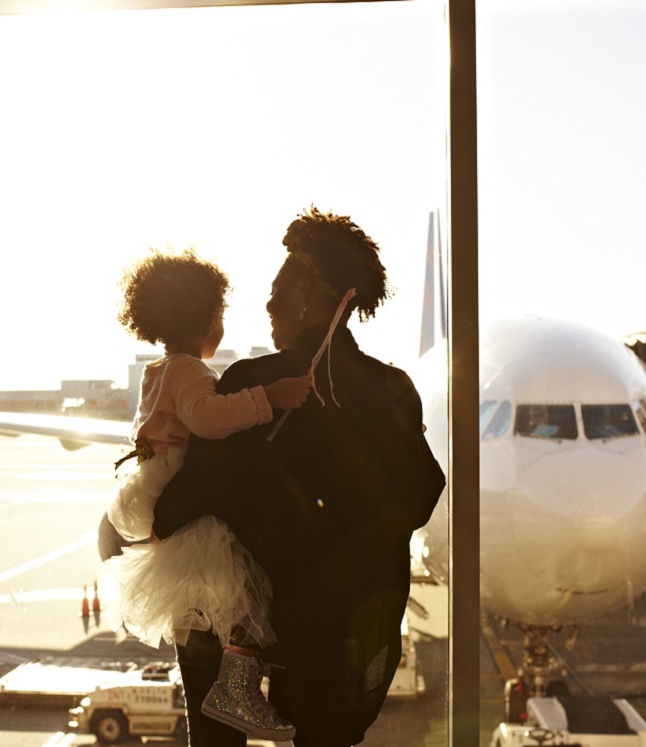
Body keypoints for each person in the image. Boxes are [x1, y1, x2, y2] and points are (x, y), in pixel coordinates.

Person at [153, 207, 446, 747]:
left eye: (277, 287)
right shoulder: (394, 389)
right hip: (345, 631)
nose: (267, 303)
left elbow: (195, 497)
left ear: (307, 290)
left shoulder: (252, 383)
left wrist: (154, 510)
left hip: (259, 628)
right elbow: (424, 491)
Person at [103, 248, 311, 742]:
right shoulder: (191, 371)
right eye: (219, 315)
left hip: (155, 491)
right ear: (205, 322)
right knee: (243, 588)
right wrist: (268, 399)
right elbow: (205, 419)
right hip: (187, 499)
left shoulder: (156, 371)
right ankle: (237, 687)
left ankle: (227, 694)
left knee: (209, 609)